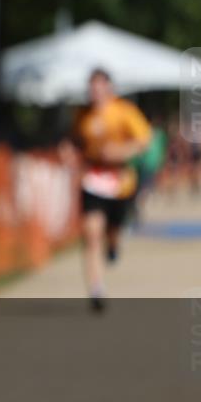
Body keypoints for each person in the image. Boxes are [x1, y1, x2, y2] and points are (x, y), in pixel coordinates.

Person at [61, 69, 151, 312]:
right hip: (92, 179)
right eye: (92, 87)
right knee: (91, 233)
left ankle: (113, 244)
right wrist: (69, 150)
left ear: (109, 88)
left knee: (112, 231)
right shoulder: (83, 114)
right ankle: (96, 288)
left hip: (120, 182)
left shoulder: (124, 111)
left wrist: (121, 152)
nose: (95, 92)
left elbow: (144, 140)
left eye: (100, 87)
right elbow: (75, 139)